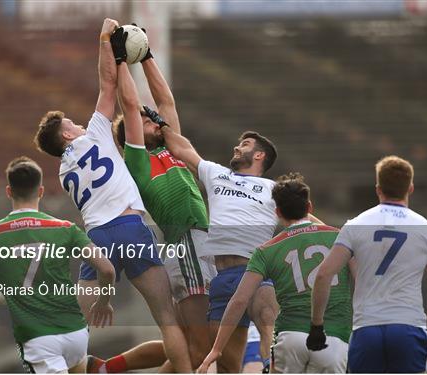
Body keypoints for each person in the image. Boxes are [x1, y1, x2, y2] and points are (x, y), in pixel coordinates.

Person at [33, 19, 192, 373]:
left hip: (97, 238)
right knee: (167, 319)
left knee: (75, 326)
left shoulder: (63, 171)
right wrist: (106, 39)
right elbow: (108, 85)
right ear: (68, 137)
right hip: (130, 227)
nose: (78, 122)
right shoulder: (93, 135)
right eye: (71, 124)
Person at [162, 127, 324, 372]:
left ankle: (272, 366)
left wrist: (343, 241)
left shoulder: (272, 189)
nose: (237, 147)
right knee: (228, 365)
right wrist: (159, 124)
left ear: (259, 155)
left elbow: (306, 218)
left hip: (256, 272)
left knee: (268, 332)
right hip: (222, 279)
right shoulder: (217, 174)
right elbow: (182, 149)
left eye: (245, 144)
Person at [111, 24, 214, 369]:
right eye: (145, 119)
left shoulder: (172, 147)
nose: (154, 118)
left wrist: (148, 56)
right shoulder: (138, 161)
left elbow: (166, 101)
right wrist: (122, 59)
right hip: (186, 244)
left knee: (188, 343)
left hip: (202, 241)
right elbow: (128, 105)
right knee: (202, 346)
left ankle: (105, 367)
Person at [308, 155, 427, 373]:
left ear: (378, 189)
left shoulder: (355, 225)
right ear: (411, 188)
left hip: (366, 330)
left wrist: (317, 325)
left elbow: (323, 275)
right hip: (408, 328)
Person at [198, 173, 353, 374]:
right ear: (310, 208)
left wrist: (217, 349)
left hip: (290, 338)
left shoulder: (266, 250)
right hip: (332, 336)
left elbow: (238, 301)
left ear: (278, 212)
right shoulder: (340, 237)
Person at [0, 156, 115, 373]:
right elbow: (106, 269)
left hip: (38, 339)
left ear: (9, 192)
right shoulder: (66, 229)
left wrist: (12, 295)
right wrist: (103, 302)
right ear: (40, 191)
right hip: (76, 334)